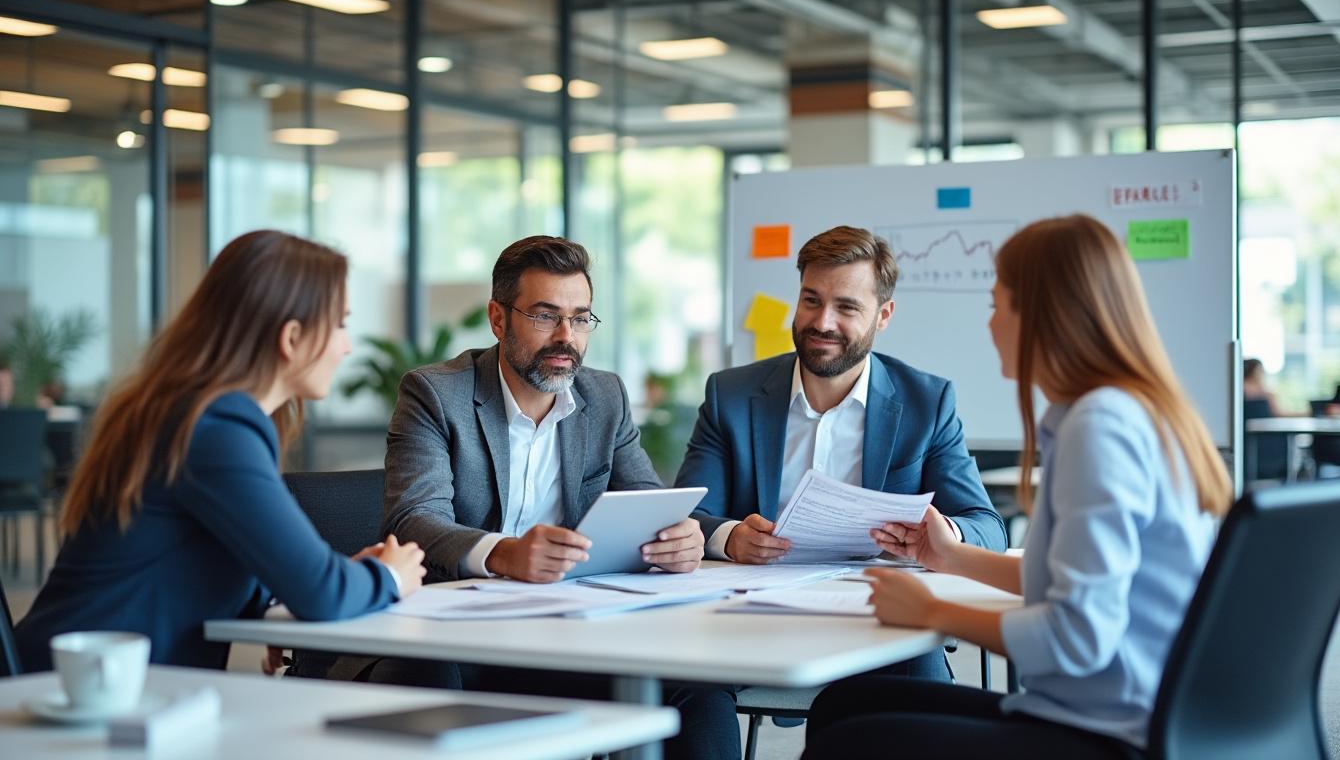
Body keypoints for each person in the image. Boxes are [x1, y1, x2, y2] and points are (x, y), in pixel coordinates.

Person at [802, 214, 1231, 758]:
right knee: (846, 705)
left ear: (1044, 316)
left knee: (849, 741)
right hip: (1139, 711)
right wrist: (953, 558)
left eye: (996, 305)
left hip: (1111, 733)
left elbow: (1076, 638)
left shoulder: (1099, 427)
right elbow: (1071, 580)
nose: (991, 325)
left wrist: (933, 612)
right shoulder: (1132, 410)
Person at [373, 235, 733, 760]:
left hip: (573, 633)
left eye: (580, 318)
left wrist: (677, 539)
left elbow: (647, 501)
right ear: (498, 320)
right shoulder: (436, 393)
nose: (567, 337)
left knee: (697, 690)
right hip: (459, 636)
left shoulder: (604, 396)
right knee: (422, 679)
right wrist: (504, 553)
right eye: (545, 316)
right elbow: (414, 519)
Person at [14, 230, 426, 673]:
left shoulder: (191, 412)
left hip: (95, 676)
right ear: (291, 338)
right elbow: (321, 595)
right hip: (76, 688)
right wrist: (389, 576)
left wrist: (328, 580)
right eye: (340, 324)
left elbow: (200, 565)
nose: (347, 346)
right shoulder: (218, 428)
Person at [675, 224, 1006, 680]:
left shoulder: (926, 402)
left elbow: (987, 527)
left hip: (881, 616)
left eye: (846, 307)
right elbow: (688, 515)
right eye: (811, 300)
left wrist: (943, 533)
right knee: (691, 686)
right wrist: (730, 538)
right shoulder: (730, 395)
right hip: (753, 614)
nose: (822, 322)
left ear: (883, 315)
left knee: (921, 690)